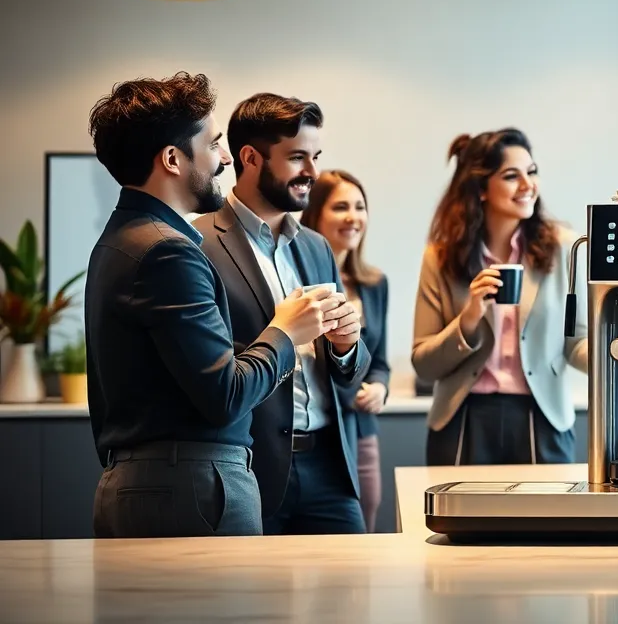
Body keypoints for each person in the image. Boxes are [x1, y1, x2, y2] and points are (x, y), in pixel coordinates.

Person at [84, 72, 333, 538]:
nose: (224, 158)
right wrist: (286, 332)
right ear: (173, 159)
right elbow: (225, 396)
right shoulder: (168, 250)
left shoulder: (120, 238)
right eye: (214, 143)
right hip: (192, 489)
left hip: (151, 483)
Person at [194, 93, 371, 535]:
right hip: (250, 470)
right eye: (297, 158)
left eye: (315, 157)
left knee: (352, 601)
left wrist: (348, 347)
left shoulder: (315, 246)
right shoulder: (197, 244)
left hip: (332, 466)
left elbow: (348, 374)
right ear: (250, 157)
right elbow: (213, 375)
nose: (313, 172)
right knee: (256, 605)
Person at [412, 128, 587, 466]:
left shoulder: (566, 247)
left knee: (546, 520)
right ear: (480, 189)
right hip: (464, 418)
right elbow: (424, 364)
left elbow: (575, 342)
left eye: (531, 172)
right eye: (511, 176)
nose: (528, 184)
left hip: (543, 417)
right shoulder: (440, 257)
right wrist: (468, 320)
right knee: (464, 519)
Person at [300, 169, 391, 532]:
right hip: (317, 429)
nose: (354, 217)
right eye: (340, 207)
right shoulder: (294, 279)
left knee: (364, 522)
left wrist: (380, 387)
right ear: (315, 213)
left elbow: (379, 359)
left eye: (359, 206)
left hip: (361, 428)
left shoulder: (374, 283)